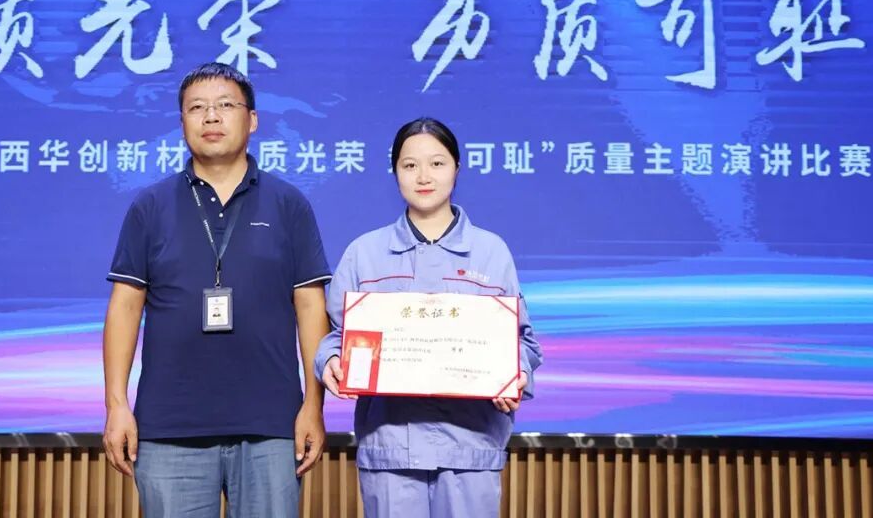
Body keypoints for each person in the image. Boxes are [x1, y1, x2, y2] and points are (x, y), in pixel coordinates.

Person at [102, 62, 332, 518]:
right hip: (169, 427)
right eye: (196, 108)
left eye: (225, 105)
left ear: (253, 120)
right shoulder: (150, 206)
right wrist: (116, 406)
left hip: (271, 425)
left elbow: (311, 308)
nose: (211, 116)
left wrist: (313, 405)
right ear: (182, 122)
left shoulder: (289, 204)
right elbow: (124, 308)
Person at [315, 117, 543, 518]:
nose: (424, 176)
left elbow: (522, 341)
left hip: (470, 447)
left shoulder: (491, 252)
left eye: (437, 163)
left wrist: (517, 374)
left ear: (457, 168)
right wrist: (330, 360)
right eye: (410, 165)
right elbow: (339, 335)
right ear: (395, 172)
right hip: (390, 447)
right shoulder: (364, 253)